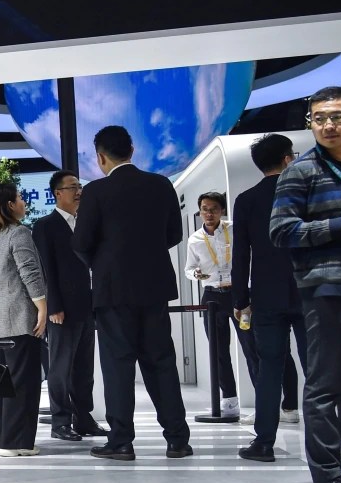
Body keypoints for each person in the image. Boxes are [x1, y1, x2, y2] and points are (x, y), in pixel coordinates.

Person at [270, 86, 341, 483]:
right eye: (319, 118)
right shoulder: (301, 171)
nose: (328, 125)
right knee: (325, 387)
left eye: (337, 117)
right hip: (327, 288)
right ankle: (327, 478)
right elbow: (281, 231)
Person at [73, 126, 192, 461]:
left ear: (101, 157)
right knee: (161, 362)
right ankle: (177, 439)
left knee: (118, 366)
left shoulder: (95, 191)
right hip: (154, 287)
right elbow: (174, 233)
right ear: (132, 150)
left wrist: (102, 263)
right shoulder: (161, 184)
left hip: (112, 290)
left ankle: (121, 441)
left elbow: (80, 242)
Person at [234, 134, 307, 462]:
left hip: (265, 295)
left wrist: (240, 299)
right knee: (316, 368)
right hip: (308, 291)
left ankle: (264, 443)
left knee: (269, 368)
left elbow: (241, 254)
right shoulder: (304, 192)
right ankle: (326, 443)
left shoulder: (247, 200)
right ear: (288, 159)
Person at [0, 183, 48, 456]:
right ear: (9, 205)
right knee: (23, 383)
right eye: (19, 198)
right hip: (19, 319)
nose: (22, 202)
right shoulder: (19, 233)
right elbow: (30, 273)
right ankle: (18, 443)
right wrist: (42, 307)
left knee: (0, 385)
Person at [32, 171, 107, 440]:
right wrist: (53, 306)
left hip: (87, 305)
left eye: (79, 186)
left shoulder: (86, 223)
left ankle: (83, 418)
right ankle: (60, 421)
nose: (78, 192)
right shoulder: (45, 226)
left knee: (84, 368)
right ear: (57, 193)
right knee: (60, 368)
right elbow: (45, 269)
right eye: (72, 187)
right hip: (61, 309)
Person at [183, 191, 243, 419]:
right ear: (200, 212)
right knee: (218, 352)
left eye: (214, 209)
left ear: (222, 210)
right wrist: (195, 274)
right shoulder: (195, 239)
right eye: (205, 210)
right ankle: (229, 402)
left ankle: (264, 402)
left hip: (237, 293)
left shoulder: (234, 229)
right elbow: (188, 269)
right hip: (211, 296)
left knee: (252, 346)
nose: (209, 214)